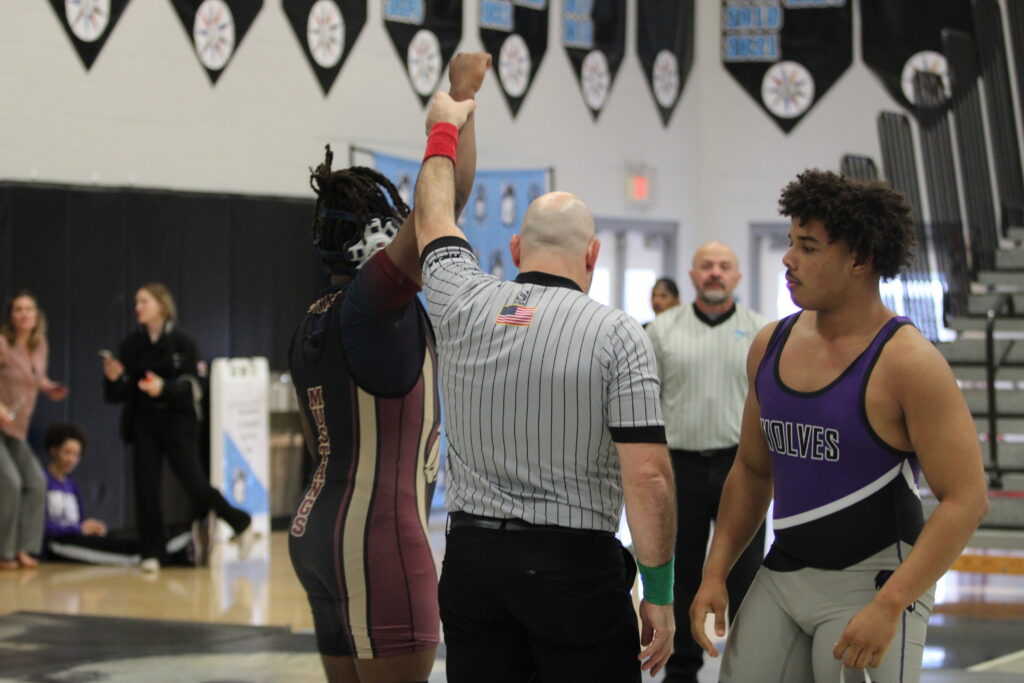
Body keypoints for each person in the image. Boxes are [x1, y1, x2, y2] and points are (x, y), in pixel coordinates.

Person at [414, 91, 677, 682]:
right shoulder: (618, 334)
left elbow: (432, 218)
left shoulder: (460, 301)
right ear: (592, 255)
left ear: (515, 249)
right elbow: (649, 477)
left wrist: (443, 128)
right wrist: (659, 592)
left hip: (473, 565)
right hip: (574, 571)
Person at [689, 170, 989, 682]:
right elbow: (753, 471)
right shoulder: (769, 345)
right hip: (785, 572)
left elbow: (967, 499)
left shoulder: (909, 363)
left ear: (859, 259)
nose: (788, 259)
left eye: (807, 247)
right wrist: (715, 571)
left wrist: (892, 603)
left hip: (874, 581)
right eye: (790, 242)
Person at [285, 53, 490, 683]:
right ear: (378, 238)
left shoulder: (317, 316)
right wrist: (444, 121)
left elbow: (443, 207)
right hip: (379, 538)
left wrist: (462, 99)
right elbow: (439, 210)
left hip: (318, 530)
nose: (411, 224)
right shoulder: (371, 306)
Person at [646, 242, 767, 683]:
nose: (715, 272)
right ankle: (681, 669)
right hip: (680, 469)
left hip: (743, 468)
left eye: (724, 266)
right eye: (707, 266)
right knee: (681, 572)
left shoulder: (760, 332)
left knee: (746, 573)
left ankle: (750, 667)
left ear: (737, 277)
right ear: (693, 275)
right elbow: (646, 403)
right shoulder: (662, 331)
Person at [102, 283, 252, 573]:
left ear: (161, 305)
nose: (138, 308)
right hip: (143, 422)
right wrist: (114, 378)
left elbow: (195, 386)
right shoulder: (131, 345)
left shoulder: (183, 343)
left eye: (144, 301)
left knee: (193, 482)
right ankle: (152, 552)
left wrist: (164, 388)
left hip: (177, 422)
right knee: (146, 488)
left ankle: (239, 521)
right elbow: (117, 394)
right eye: (136, 302)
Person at [42, 422, 190, 566]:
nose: (71, 460)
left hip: (77, 537)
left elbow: (81, 520)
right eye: (67, 453)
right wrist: (79, 529)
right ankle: (167, 552)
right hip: (59, 544)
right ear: (54, 450)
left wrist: (90, 528)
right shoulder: (43, 481)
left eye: (76, 455)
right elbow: (42, 526)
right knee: (122, 551)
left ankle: (173, 543)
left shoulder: (72, 485)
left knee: (118, 537)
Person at [0, 291, 68, 570]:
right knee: (10, 483)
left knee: (37, 483)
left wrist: (49, 388)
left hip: (17, 429)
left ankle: (24, 548)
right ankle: (4, 552)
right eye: (18, 309)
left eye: (29, 309)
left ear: (37, 315)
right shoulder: (3, 343)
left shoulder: (39, 346)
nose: (24, 314)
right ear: (11, 316)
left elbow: (35, 377)